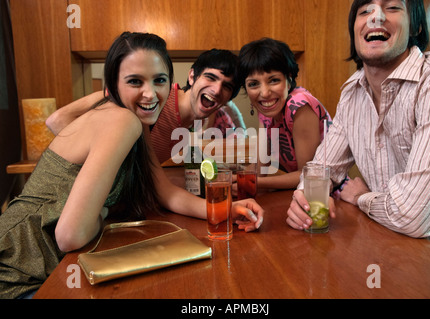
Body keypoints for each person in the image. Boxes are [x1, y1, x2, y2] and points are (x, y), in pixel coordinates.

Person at [0, 32, 263, 299]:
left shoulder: (138, 123)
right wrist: (101, 212)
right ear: (113, 84)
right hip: (16, 273)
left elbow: (166, 192)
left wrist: (226, 209)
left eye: (159, 80)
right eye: (135, 81)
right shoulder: (122, 121)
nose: (150, 94)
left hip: (44, 268)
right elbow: (69, 236)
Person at [288, 0, 430, 248]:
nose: (376, 17)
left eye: (392, 7)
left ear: (416, 27)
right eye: (364, 11)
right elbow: (321, 169)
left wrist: (361, 197)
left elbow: (416, 216)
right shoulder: (352, 92)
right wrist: (303, 198)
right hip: (379, 247)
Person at [46, 49, 246, 164]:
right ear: (192, 76)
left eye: (227, 86)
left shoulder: (196, 123)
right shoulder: (154, 96)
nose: (217, 89)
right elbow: (58, 120)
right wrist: (101, 170)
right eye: (210, 77)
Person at [237, 37, 333, 190]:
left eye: (274, 80)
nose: (265, 93)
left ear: (288, 77)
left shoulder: (300, 106)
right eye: (254, 84)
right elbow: (261, 164)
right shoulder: (265, 111)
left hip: (327, 195)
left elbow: (308, 174)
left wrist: (255, 183)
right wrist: (231, 178)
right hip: (298, 195)